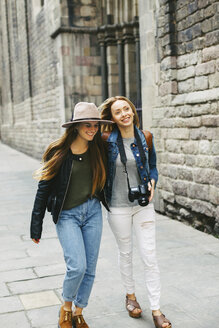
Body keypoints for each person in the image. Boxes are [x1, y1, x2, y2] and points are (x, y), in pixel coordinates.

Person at [30, 102, 113, 328]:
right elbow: (43, 190)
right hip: (67, 215)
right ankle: (65, 309)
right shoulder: (59, 152)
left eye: (95, 125)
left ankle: (79, 312)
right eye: (87, 125)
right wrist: (35, 226)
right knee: (77, 266)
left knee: (90, 268)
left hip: (92, 212)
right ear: (75, 126)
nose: (92, 129)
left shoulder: (99, 149)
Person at [99, 96, 171, 328]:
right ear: (112, 118)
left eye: (126, 109)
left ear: (133, 110)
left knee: (149, 257)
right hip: (118, 206)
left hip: (142, 206)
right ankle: (130, 296)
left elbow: (153, 166)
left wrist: (152, 182)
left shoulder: (146, 137)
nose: (124, 114)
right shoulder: (105, 140)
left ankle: (156, 309)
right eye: (118, 112)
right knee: (126, 253)